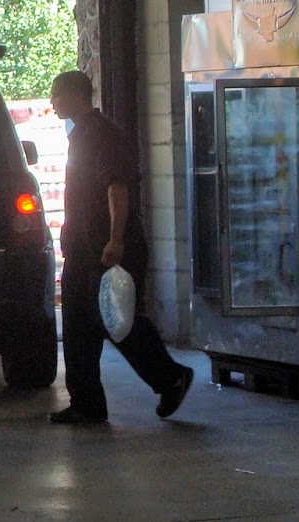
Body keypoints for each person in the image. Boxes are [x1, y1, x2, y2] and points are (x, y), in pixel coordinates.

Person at [48, 68, 193, 425]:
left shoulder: (102, 136)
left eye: (56, 94)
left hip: (105, 249)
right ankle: (87, 404)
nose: (52, 102)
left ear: (75, 95)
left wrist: (116, 238)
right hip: (82, 251)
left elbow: (117, 189)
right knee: (80, 327)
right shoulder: (80, 135)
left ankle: (170, 377)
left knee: (118, 323)